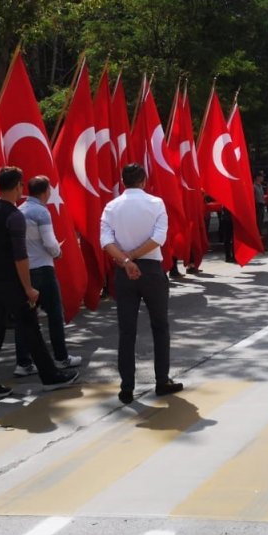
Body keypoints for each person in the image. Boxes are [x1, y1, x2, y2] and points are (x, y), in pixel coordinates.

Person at [0, 166, 77, 401]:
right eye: (21, 185)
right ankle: (50, 377)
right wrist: (28, 287)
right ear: (19, 186)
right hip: (12, 283)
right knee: (30, 327)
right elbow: (20, 257)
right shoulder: (14, 216)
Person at [101, 163, 183, 405]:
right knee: (160, 326)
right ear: (144, 180)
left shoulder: (111, 206)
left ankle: (127, 387)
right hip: (150, 269)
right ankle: (162, 380)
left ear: (123, 181)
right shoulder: (156, 203)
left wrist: (126, 260)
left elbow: (105, 241)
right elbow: (159, 238)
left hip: (124, 271)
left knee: (127, 331)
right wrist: (134, 257)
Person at [17, 175, 82, 372]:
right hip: (43, 269)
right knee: (55, 315)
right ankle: (61, 357)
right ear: (46, 191)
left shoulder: (19, 211)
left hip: (24, 270)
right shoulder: (41, 212)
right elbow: (50, 243)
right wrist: (58, 252)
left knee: (26, 317)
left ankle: (23, 362)